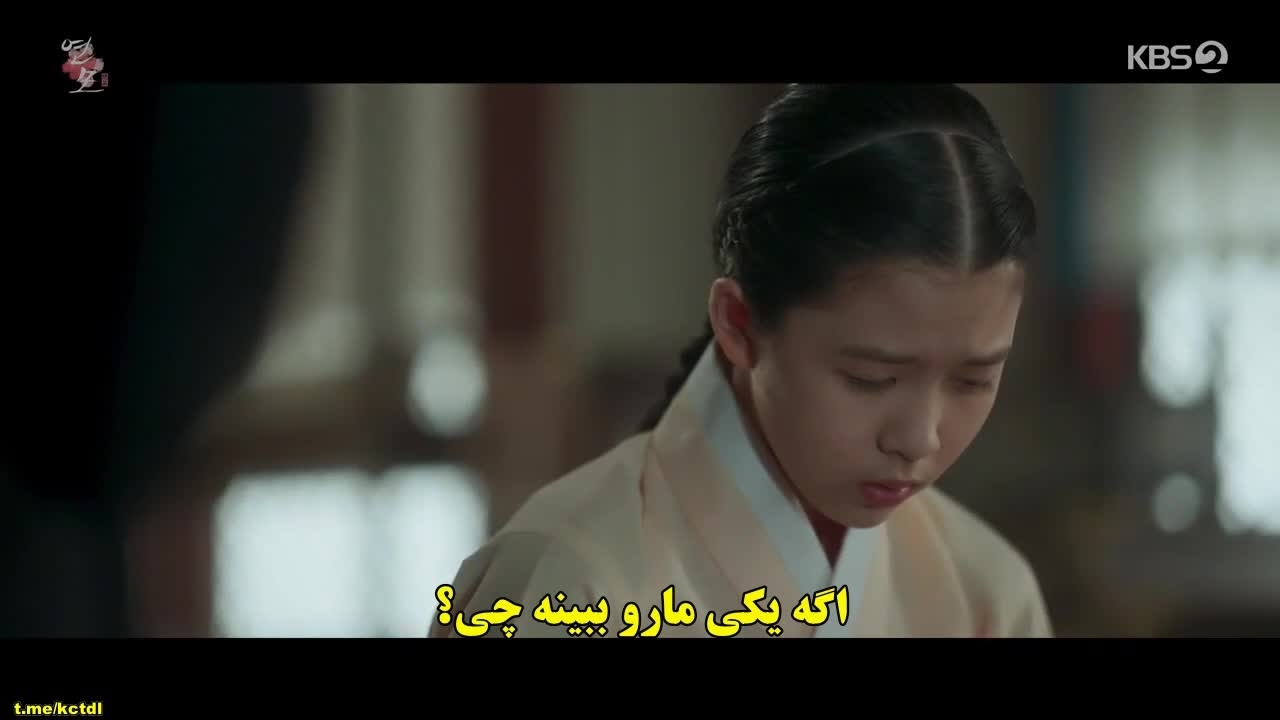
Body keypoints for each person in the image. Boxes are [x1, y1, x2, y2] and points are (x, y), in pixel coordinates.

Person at [432, 84, 1053, 639]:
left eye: (973, 380)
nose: (918, 438)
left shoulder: (983, 591)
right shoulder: (570, 577)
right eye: (871, 378)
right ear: (739, 323)